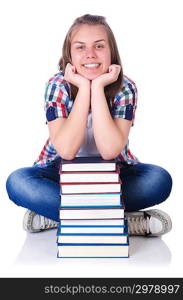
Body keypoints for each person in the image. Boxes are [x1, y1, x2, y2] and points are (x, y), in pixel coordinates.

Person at [6, 14, 172, 236]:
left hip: (113, 176)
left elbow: (109, 150)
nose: (90, 54)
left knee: (158, 180)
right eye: (80, 47)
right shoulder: (57, 85)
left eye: (99, 46)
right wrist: (84, 87)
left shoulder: (125, 87)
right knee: (18, 182)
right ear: (69, 55)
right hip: (60, 175)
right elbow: (66, 149)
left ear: (111, 52)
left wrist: (98, 88)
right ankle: (122, 222)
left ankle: (60, 217)